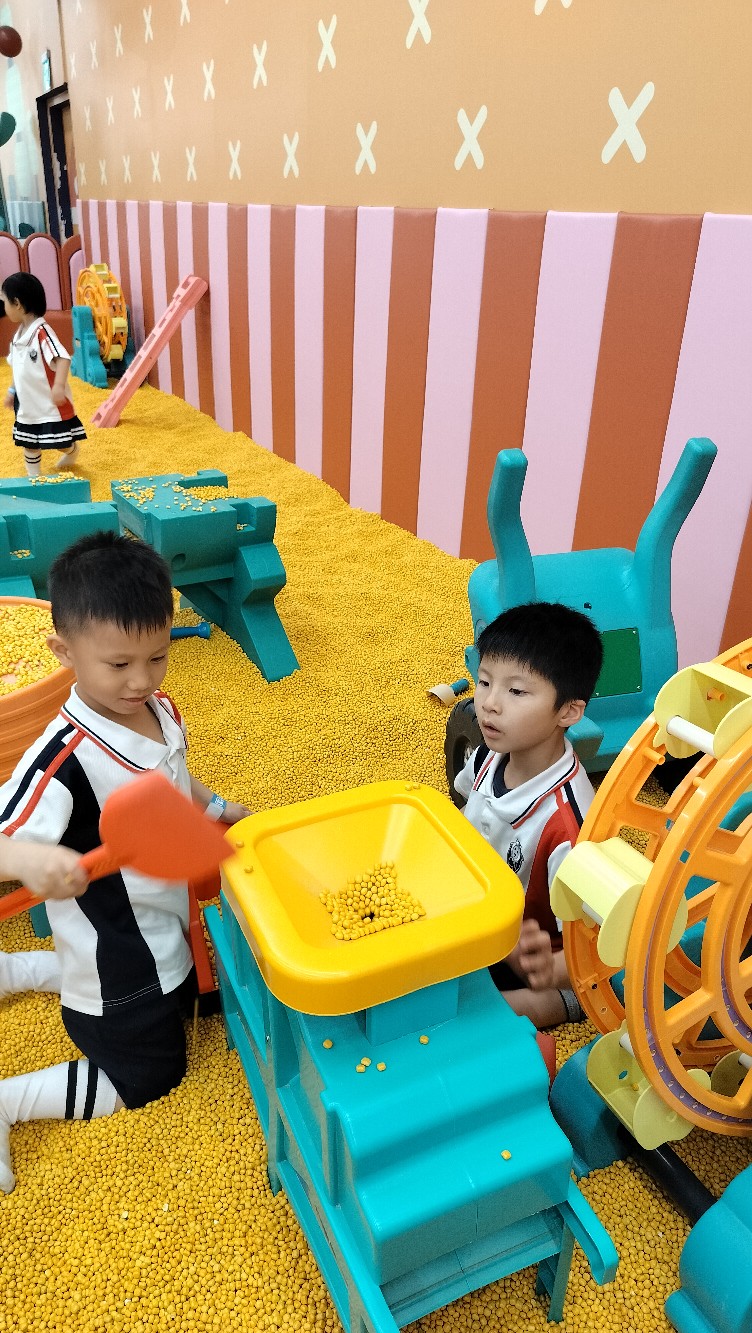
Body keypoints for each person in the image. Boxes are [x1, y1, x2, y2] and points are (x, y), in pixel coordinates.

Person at [0, 530, 249, 1193]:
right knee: (150, 1075)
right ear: (63, 651)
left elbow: (174, 778)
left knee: (201, 998)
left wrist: (217, 805)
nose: (141, 680)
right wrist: (26, 857)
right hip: (118, 951)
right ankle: (8, 1102)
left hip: (168, 917)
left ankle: (20, 969)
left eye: (158, 656)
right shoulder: (62, 757)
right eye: (118, 664)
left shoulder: (157, 708)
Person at [455, 601, 603, 1030]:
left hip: (539, 957)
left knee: (481, 1021)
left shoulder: (569, 827)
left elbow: (601, 947)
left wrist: (552, 969)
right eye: (484, 682)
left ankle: (565, 1004)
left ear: (568, 711)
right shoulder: (488, 756)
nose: (489, 704)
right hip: (485, 912)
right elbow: (462, 815)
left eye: (516, 692)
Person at [2, 271, 87, 477]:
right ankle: (34, 478)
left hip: (48, 404)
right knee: (29, 442)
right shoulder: (17, 337)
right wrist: (12, 390)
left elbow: (63, 358)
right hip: (27, 404)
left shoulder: (42, 332)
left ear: (17, 303)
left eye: (4, 301)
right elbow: (19, 368)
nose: (3, 307)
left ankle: (72, 450)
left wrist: (58, 386)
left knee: (59, 442)